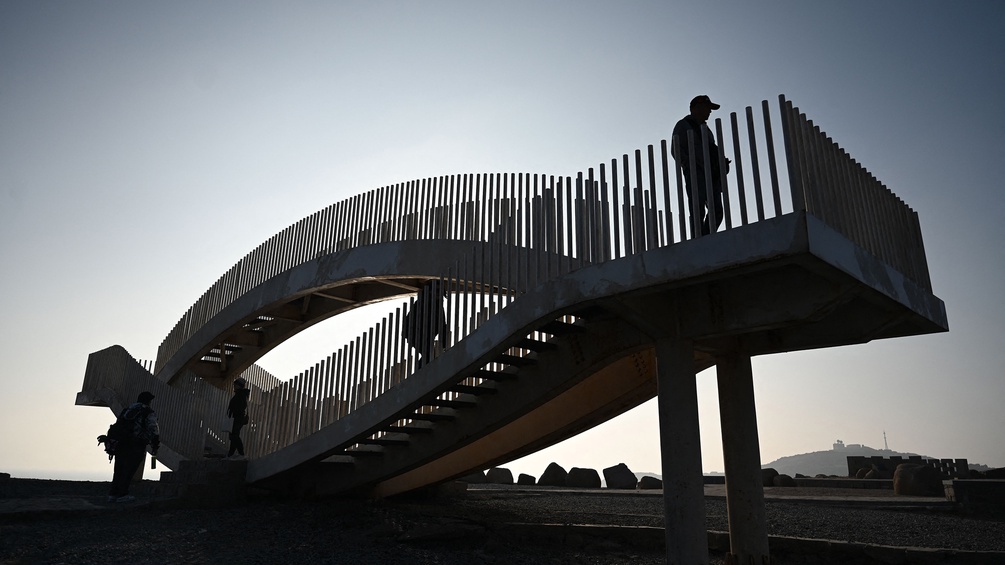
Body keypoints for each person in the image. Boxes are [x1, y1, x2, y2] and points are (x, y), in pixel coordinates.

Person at [671, 95, 731, 236]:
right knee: (697, 210)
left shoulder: (707, 130)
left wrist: (720, 162)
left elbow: (711, 150)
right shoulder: (683, 125)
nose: (710, 112)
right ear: (696, 108)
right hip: (696, 173)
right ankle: (698, 239)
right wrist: (689, 165)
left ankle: (705, 238)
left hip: (711, 175)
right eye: (707, 108)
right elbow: (676, 149)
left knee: (717, 211)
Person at [108, 391, 159, 503]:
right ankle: (123, 494)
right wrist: (155, 442)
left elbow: (118, 424)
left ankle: (113, 494)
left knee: (119, 468)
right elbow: (153, 428)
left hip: (121, 443)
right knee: (130, 469)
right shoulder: (147, 411)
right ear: (148, 401)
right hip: (136, 443)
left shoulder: (127, 410)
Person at [403, 280, 449, 367]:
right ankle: (421, 370)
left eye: (440, 291)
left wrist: (445, 344)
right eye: (436, 290)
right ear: (430, 291)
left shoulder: (438, 305)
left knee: (430, 355)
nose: (438, 293)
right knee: (428, 355)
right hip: (417, 334)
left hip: (428, 334)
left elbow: (442, 324)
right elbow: (409, 323)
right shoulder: (422, 303)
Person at [226, 378, 250, 459]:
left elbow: (240, 407)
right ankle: (231, 454)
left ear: (239, 385)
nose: (234, 386)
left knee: (234, 436)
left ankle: (241, 453)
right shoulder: (240, 394)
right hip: (236, 417)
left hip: (237, 418)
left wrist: (234, 413)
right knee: (233, 436)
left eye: (235, 385)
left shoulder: (241, 394)